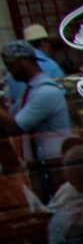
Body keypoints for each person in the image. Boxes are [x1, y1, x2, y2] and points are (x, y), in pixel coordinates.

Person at [5, 42, 70, 180]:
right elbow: (8, 117)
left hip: (55, 166)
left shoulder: (45, 92)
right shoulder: (31, 91)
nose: (9, 71)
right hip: (42, 166)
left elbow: (15, 126)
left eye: (10, 65)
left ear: (23, 61)